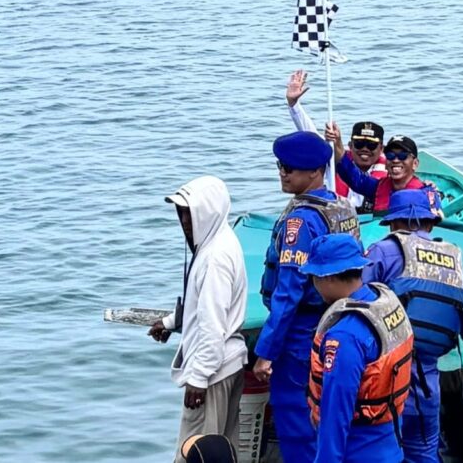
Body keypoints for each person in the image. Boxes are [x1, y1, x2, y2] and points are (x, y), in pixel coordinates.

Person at [252, 131, 361, 462]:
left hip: (300, 335)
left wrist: (266, 352)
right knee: (326, 419)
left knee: (297, 421)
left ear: (315, 171)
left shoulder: (301, 220)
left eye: (290, 168)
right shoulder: (339, 206)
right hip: (335, 322)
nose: (283, 173)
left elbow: (288, 292)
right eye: (280, 166)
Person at [364, 189, 463, 463]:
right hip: (427, 386)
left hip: (383, 378)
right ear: (430, 222)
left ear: (394, 223)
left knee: (375, 450)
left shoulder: (384, 251)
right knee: (424, 453)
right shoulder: (452, 261)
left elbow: (356, 302)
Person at [147, 176, 248, 461]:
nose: (184, 221)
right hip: (228, 363)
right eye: (180, 213)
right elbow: (201, 306)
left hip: (213, 371)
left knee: (196, 452)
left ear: (209, 212)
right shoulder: (221, 239)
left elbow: (212, 323)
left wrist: (199, 377)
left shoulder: (215, 257)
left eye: (190, 213)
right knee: (224, 448)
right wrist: (170, 323)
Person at [302, 234, 414, 463]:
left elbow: (336, 412)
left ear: (328, 277)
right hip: (390, 445)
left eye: (314, 277)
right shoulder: (384, 302)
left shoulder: (344, 336)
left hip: (357, 452)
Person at [284, 69, 385, 210]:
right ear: (350, 145)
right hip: (336, 218)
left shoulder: (390, 170)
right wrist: (293, 104)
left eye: (371, 145)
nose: (365, 149)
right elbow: (311, 135)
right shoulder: (335, 160)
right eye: (359, 143)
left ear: (381, 149)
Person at [325, 127, 436, 215]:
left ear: (415, 164)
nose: (396, 160)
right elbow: (351, 175)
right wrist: (337, 142)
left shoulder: (426, 193)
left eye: (402, 156)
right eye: (391, 155)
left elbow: (436, 220)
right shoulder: (377, 187)